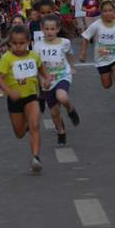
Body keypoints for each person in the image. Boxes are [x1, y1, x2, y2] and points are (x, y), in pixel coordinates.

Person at [0, 25, 49, 173]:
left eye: (22, 43)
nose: (18, 46)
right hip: (15, 99)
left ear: (28, 42)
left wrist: (46, 79)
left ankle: (36, 158)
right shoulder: (7, 58)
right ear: (10, 43)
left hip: (31, 97)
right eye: (14, 43)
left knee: (35, 125)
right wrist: (9, 91)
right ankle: (26, 125)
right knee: (19, 133)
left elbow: (42, 69)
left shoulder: (34, 56)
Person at [34, 14, 80, 146]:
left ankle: (70, 109)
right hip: (47, 80)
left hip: (62, 75)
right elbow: (37, 65)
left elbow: (70, 54)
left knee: (62, 97)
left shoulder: (65, 42)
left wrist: (72, 66)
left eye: (52, 29)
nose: (49, 32)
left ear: (58, 29)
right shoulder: (37, 46)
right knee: (54, 113)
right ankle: (61, 132)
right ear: (42, 29)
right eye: (46, 29)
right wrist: (41, 81)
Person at [80, 0, 115, 113]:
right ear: (101, 12)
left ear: (114, 12)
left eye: (110, 10)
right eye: (105, 11)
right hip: (102, 59)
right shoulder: (96, 25)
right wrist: (83, 52)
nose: (108, 13)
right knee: (107, 85)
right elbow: (85, 37)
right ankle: (109, 74)